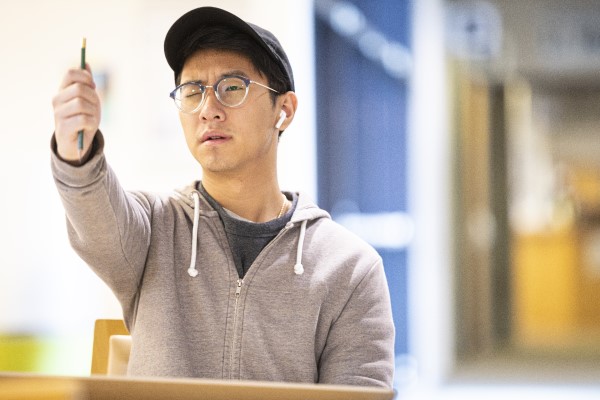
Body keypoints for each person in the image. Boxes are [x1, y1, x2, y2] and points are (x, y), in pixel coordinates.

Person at [51, 6, 395, 388]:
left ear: (284, 110)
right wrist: (76, 155)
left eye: (232, 87)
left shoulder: (350, 268)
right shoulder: (150, 229)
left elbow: (358, 394)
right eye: (192, 91)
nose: (208, 110)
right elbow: (96, 217)